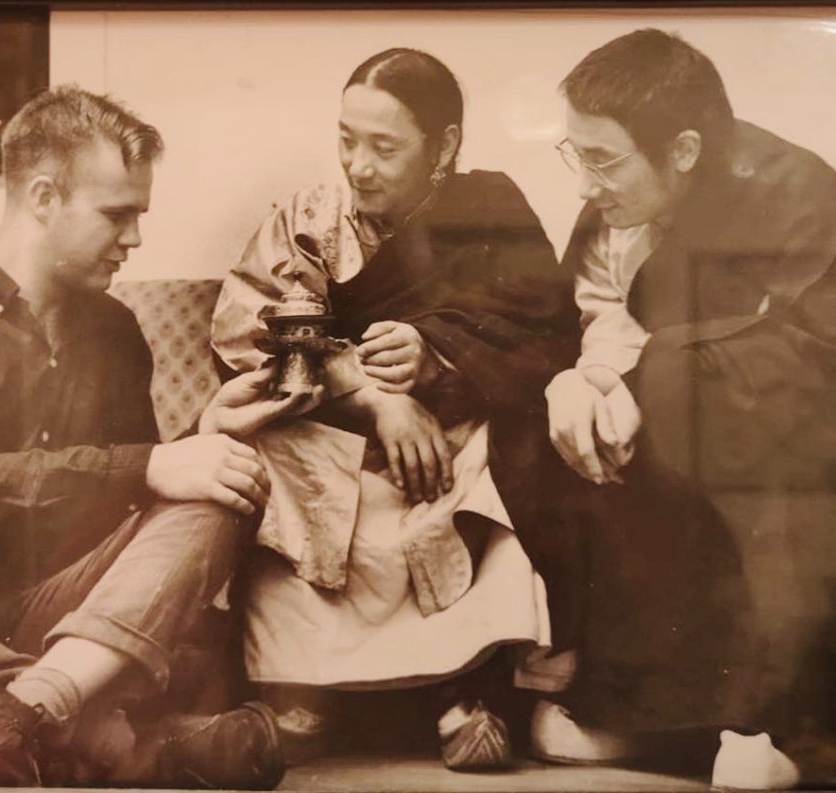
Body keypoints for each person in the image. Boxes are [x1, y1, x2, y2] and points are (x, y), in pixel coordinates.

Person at [0, 85, 310, 789]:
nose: (135, 239)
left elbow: (137, 503)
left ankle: (28, 713)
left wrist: (201, 436)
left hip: (76, 612)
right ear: (42, 198)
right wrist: (153, 462)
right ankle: (93, 730)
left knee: (221, 484)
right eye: (116, 214)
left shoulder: (116, 330)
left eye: (139, 216)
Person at [522, 28, 836, 789]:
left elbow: (833, 351)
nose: (584, 184)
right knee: (531, 415)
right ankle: (633, 714)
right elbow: (581, 321)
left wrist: (650, 376)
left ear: (682, 150)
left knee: (704, 428)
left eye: (603, 160)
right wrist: (575, 384)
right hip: (653, 408)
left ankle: (758, 722)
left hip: (784, 434)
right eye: (575, 156)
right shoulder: (613, 202)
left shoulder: (791, 186)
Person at [210, 48, 578, 771]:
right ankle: (309, 685)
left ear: (443, 147)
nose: (359, 164)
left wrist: (437, 355)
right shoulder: (307, 219)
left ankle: (459, 691)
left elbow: (545, 333)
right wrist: (374, 395)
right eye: (347, 139)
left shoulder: (491, 208)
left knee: (499, 448)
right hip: (325, 430)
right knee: (261, 454)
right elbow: (246, 338)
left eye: (384, 146)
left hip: (449, 429)